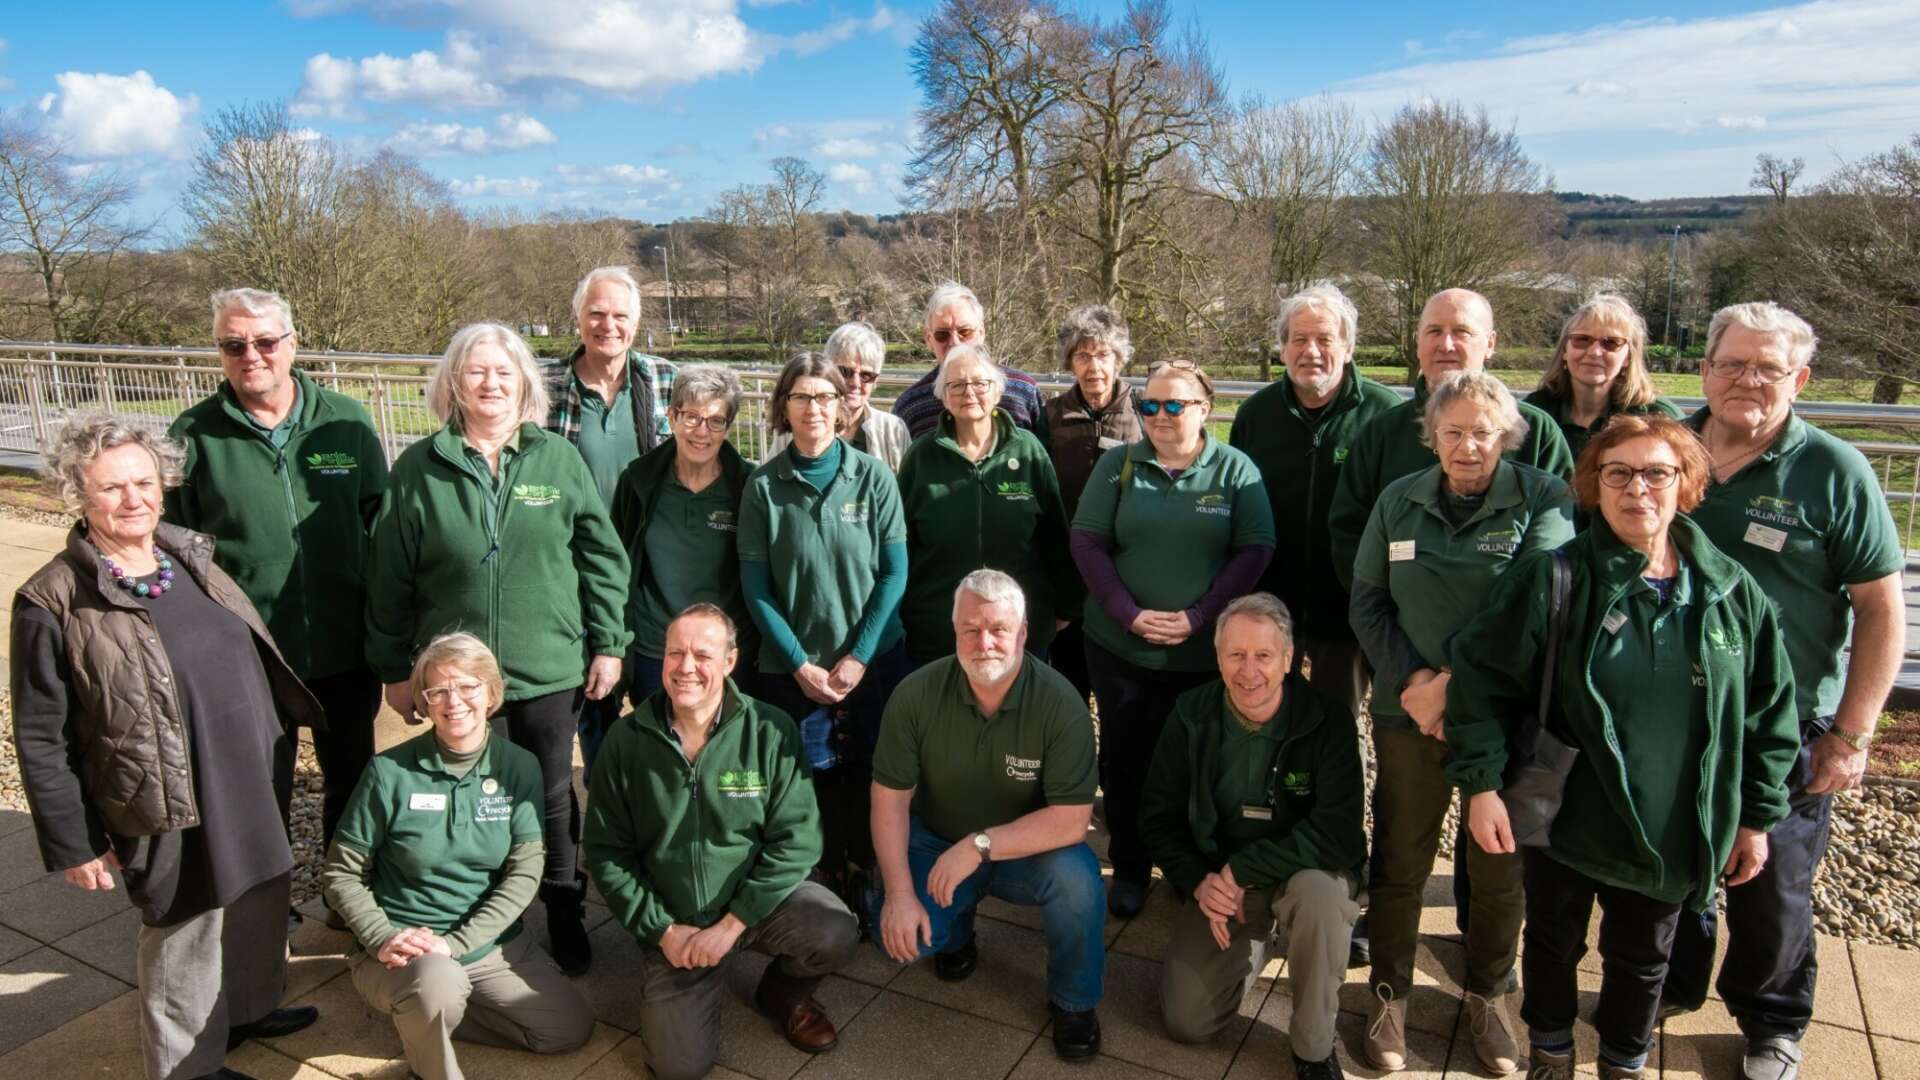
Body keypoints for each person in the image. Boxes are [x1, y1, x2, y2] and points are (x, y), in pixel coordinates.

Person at [1444, 414, 1800, 1080]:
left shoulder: (1729, 591)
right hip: (1567, 815)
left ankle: (1624, 1060)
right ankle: (1550, 1048)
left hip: (1674, 824)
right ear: (1595, 487)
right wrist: (1483, 785)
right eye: (1618, 473)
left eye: (1657, 473)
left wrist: (1756, 817)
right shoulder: (1555, 580)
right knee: (1551, 942)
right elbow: (1481, 685)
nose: (1638, 488)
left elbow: (1769, 712)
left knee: (1643, 957)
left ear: (1686, 483)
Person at [12, 415, 324, 1080]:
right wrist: (75, 840)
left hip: (246, 770)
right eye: (111, 488)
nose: (133, 499)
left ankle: (249, 1008)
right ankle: (188, 1066)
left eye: (144, 482)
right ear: (78, 497)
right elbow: (43, 734)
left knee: (260, 894)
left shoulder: (188, 556)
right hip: (162, 790)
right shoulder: (53, 599)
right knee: (185, 924)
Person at [1664, 302, 1905, 1080]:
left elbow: (1879, 607)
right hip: (1671, 713)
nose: (1747, 381)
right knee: (1676, 866)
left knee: (1772, 887)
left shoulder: (1834, 471)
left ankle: (1772, 1020)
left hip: (1786, 726)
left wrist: (1853, 732)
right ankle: (1674, 984)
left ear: (1799, 380)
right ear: (1704, 368)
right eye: (1733, 363)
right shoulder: (1665, 450)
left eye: (1768, 368)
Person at [366, 322, 631, 976]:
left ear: (524, 385)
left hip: (547, 666)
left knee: (548, 797)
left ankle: (563, 910)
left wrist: (609, 643)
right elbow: (389, 577)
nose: (490, 383)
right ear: (453, 382)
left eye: (503, 372)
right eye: (477, 371)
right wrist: (395, 671)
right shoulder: (419, 469)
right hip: (457, 679)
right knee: (474, 797)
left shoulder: (557, 459)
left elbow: (601, 558)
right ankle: (487, 922)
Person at [1347, 371, 1576, 1075]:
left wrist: (1455, 691)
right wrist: (1417, 682)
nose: (1468, 445)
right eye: (1453, 432)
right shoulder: (1399, 499)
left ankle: (1486, 995)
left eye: (1483, 432)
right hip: (1407, 713)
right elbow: (1368, 603)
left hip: (1503, 723)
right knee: (1399, 863)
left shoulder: (1542, 497)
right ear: (1432, 436)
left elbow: (1534, 607)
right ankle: (1389, 994)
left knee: (1499, 869)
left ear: (1507, 435)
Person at [166, 288, 390, 921]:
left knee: (351, 778)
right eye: (234, 345)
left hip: (346, 645)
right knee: (262, 787)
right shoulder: (194, 435)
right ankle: (263, 915)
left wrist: (390, 633)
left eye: (265, 341)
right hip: (251, 652)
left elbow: (381, 524)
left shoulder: (344, 421)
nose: (252, 356)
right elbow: (179, 548)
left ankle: (347, 900)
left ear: (292, 343)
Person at [585, 605, 857, 1080]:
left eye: (702, 654)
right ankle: (684, 973)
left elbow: (798, 840)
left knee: (835, 930)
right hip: (677, 921)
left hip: (758, 905)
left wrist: (733, 924)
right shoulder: (625, 742)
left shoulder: (770, 731)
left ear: (731, 661)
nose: (686, 667)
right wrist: (662, 930)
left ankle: (782, 995)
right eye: (675, 653)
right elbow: (607, 853)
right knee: (678, 1068)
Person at [324, 633, 593, 1080]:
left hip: (486, 943)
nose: (455, 701)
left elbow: (525, 873)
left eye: (468, 686)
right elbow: (340, 873)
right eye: (439, 691)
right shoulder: (389, 772)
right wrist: (381, 936)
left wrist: (456, 945)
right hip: (403, 947)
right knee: (437, 985)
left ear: (491, 693)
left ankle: (424, 1015)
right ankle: (427, 1036)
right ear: (424, 702)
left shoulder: (518, 765)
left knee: (568, 1029)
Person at [868, 570, 1107, 1060]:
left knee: (1079, 883)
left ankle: (1074, 1001)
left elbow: (1070, 819)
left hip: (1027, 851)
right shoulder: (915, 694)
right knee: (895, 932)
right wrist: (898, 893)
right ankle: (955, 931)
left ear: (1022, 634)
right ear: (953, 631)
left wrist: (978, 846)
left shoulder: (1060, 704)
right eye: (970, 630)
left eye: (999, 629)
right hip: (937, 840)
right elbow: (889, 798)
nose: (985, 643)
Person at [1070, 359, 1276, 918]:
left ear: (1205, 408)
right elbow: (1087, 543)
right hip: (1121, 648)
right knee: (1127, 762)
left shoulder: (1234, 470)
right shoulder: (1120, 464)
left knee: (1198, 765)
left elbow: (1254, 548)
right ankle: (1132, 867)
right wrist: (1129, 614)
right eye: (1149, 405)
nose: (1159, 416)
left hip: (1202, 653)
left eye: (1174, 404)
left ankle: (1191, 868)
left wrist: (1200, 616)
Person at [1142, 593, 1365, 1080]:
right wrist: (1201, 881)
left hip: (1300, 876)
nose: (1249, 671)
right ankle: (1259, 942)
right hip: (1221, 881)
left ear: (1288, 659)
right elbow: (1158, 819)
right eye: (1235, 655)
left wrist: (1243, 869)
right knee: (1186, 1020)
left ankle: (1313, 1049)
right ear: (1218, 657)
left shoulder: (1328, 721)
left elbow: (1340, 834)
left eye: (1264, 655)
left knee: (1321, 898)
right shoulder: (1191, 715)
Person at [739, 351, 910, 888]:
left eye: (824, 396)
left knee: (869, 771)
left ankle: (866, 864)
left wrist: (858, 656)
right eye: (800, 396)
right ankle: (821, 870)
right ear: (782, 407)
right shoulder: (763, 488)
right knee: (806, 777)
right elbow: (756, 588)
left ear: (842, 407)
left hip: (870, 662)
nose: (813, 407)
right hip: (793, 670)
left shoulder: (874, 478)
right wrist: (799, 665)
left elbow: (894, 573)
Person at [1229, 282, 1399, 716]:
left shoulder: (1383, 416)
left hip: (1347, 610)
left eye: (1325, 339)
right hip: (1269, 605)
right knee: (1263, 718)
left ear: (1348, 347)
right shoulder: (1256, 415)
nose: (1312, 351)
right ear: (1282, 348)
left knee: (1336, 724)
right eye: (1299, 339)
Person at [1330, 288, 1575, 585]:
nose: (1446, 344)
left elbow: (1562, 543)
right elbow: (1349, 534)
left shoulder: (1536, 431)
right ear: (1417, 342)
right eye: (1434, 331)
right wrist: (1386, 619)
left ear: (1490, 343)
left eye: (1462, 332)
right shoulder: (1381, 432)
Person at [542, 266, 676, 794]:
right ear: (578, 317)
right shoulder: (547, 385)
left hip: (646, 571)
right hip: (573, 573)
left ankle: (648, 810)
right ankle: (604, 814)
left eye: (620, 315)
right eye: (596, 313)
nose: (608, 325)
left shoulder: (663, 380)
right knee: (591, 707)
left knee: (653, 700)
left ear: (636, 322)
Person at [896, 342, 1079, 664]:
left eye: (980, 383)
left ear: (997, 391)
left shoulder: (1028, 451)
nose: (970, 392)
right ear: (942, 395)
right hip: (938, 631)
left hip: (1019, 628)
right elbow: (903, 544)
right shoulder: (921, 457)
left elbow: (1054, 535)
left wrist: (1066, 606)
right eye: (956, 384)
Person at [609, 364, 756, 726]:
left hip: (723, 651)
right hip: (655, 648)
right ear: (672, 416)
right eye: (691, 417)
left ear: (728, 426)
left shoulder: (748, 486)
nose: (702, 432)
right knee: (662, 747)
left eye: (716, 420)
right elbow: (615, 566)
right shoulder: (638, 481)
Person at [1042, 304, 1143, 701]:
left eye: (1103, 355)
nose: (1094, 366)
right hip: (1068, 575)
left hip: (1126, 573)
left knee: (1121, 689)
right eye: (1083, 356)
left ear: (1118, 359)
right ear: (1070, 363)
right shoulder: (1049, 416)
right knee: (1068, 686)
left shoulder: (1143, 414)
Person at [1523, 293, 1683, 458]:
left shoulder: (1660, 418)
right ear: (1565, 349)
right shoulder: (1532, 416)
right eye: (1582, 339)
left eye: (1611, 343)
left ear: (1628, 357)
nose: (1594, 352)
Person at [888, 282, 1050, 440]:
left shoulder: (1023, 392)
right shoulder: (910, 406)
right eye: (942, 335)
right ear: (929, 339)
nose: (954, 342)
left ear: (981, 332)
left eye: (965, 332)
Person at [772, 321, 911, 469]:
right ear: (826, 372)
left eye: (866, 375)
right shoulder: (798, 428)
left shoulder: (892, 430)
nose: (855, 383)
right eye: (845, 372)